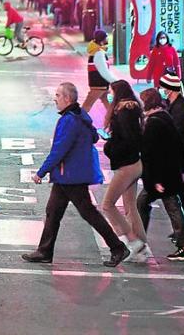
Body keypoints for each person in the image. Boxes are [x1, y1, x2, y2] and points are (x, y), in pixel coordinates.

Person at [22, 82, 131, 267]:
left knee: (88, 212)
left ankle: (117, 247)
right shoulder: (79, 116)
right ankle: (44, 251)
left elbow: (59, 150)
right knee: (53, 212)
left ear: (67, 98)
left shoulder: (69, 120)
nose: (54, 99)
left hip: (71, 176)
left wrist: (41, 172)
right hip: (67, 175)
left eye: (57, 95)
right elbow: (93, 137)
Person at [136, 87, 184, 261]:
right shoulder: (165, 117)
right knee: (164, 206)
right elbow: (180, 146)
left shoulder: (154, 123)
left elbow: (151, 155)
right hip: (169, 174)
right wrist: (183, 170)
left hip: (161, 178)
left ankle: (183, 246)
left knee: (166, 207)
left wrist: (156, 180)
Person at [100, 81, 148, 261]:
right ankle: (142, 248)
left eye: (112, 93)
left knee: (107, 205)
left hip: (127, 165)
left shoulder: (124, 111)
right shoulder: (132, 109)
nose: (110, 96)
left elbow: (128, 139)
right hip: (135, 162)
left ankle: (133, 240)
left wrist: (110, 146)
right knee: (130, 207)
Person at [160, 72, 184, 242]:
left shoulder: (181, 109)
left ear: (170, 89)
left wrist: (182, 169)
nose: (161, 90)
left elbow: (182, 142)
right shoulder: (174, 105)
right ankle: (182, 230)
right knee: (179, 197)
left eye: (163, 87)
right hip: (180, 162)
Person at [82, 29, 120, 125]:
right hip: (98, 85)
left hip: (99, 84)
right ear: (102, 39)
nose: (108, 39)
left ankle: (114, 120)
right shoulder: (99, 53)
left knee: (108, 103)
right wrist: (116, 81)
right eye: (106, 37)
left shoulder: (95, 51)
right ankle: (77, 121)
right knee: (87, 106)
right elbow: (104, 71)